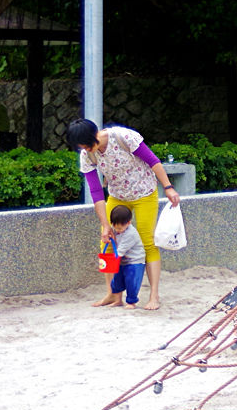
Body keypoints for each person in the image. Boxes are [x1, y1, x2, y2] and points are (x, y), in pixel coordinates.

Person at [67, 118, 180, 311]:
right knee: (107, 243)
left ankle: (154, 296)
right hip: (118, 195)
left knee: (147, 241)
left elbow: (153, 161)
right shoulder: (87, 155)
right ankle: (114, 294)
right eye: (81, 146)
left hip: (144, 192)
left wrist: (168, 187)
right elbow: (96, 192)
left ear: (94, 136)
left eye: (86, 144)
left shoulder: (123, 137)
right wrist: (105, 225)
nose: (85, 149)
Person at [93, 204, 147, 309]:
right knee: (116, 281)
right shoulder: (115, 228)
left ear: (128, 223)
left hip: (135, 261)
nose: (117, 230)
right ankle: (118, 300)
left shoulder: (130, 234)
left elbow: (120, 251)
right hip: (122, 261)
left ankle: (131, 302)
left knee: (132, 281)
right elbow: (112, 237)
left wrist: (109, 261)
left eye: (120, 228)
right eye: (115, 227)